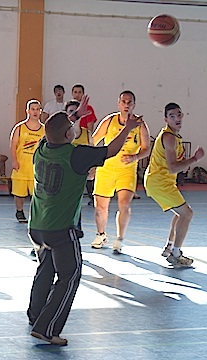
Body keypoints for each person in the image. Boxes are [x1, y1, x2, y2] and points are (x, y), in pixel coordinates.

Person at [27, 100, 143, 346]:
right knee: (70, 274)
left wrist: (74, 116)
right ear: (69, 134)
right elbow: (110, 150)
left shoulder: (42, 148)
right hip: (60, 227)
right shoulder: (75, 154)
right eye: (72, 127)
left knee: (46, 268)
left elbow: (56, 128)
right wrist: (128, 128)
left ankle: (35, 314)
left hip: (37, 225)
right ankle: (47, 327)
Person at [144, 103, 205, 267]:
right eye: (172, 116)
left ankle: (169, 247)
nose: (177, 118)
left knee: (180, 213)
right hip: (160, 182)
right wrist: (194, 159)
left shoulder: (174, 136)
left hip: (161, 181)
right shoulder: (169, 137)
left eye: (178, 114)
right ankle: (176, 254)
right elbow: (173, 167)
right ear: (166, 119)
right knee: (187, 214)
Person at [90, 90, 151, 254]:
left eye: (129, 102)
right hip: (106, 168)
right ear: (118, 104)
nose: (126, 105)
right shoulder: (109, 121)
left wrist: (135, 157)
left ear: (134, 105)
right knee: (100, 207)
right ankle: (100, 234)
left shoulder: (140, 125)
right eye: (123, 102)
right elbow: (94, 140)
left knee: (124, 204)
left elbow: (147, 149)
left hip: (127, 170)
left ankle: (120, 238)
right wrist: (91, 162)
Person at [9, 99, 45, 223]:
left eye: (37, 109)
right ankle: (19, 211)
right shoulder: (19, 128)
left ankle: (36, 214)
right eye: (32, 109)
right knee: (19, 193)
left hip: (37, 167)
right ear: (28, 111)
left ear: (40, 112)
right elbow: (13, 145)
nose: (35, 112)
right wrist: (14, 160)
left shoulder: (44, 130)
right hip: (21, 165)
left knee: (37, 194)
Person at [72, 84, 98, 205]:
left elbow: (90, 126)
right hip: (71, 140)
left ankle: (92, 196)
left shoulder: (88, 109)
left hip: (83, 140)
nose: (77, 94)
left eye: (79, 92)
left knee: (88, 172)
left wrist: (89, 140)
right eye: (75, 92)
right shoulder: (69, 108)